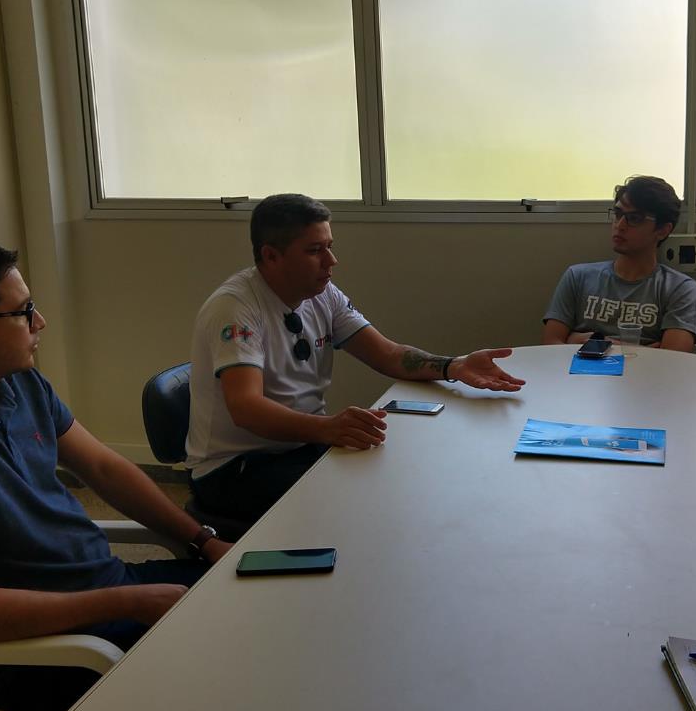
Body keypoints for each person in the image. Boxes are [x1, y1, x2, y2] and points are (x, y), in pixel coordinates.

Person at [0, 244, 233, 711]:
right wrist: (130, 601)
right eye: (24, 311)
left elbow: (104, 469)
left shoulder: (17, 383)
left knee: (264, 598)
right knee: (245, 660)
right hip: (43, 654)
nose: (40, 322)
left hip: (108, 589)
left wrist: (202, 540)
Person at [186, 193, 525, 527]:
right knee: (361, 503)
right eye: (315, 251)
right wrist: (328, 428)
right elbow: (246, 408)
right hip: (234, 469)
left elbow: (388, 355)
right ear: (271, 256)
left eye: (329, 246)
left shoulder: (323, 295)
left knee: (396, 473)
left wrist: (454, 366)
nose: (331, 261)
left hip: (301, 447)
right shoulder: (235, 308)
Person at [541, 175, 696, 351]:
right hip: (581, 369)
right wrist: (646, 350)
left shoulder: (681, 289)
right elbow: (551, 347)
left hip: (650, 371)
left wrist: (591, 341)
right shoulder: (577, 277)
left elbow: (673, 359)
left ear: (663, 230)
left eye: (634, 218)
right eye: (618, 214)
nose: (620, 225)